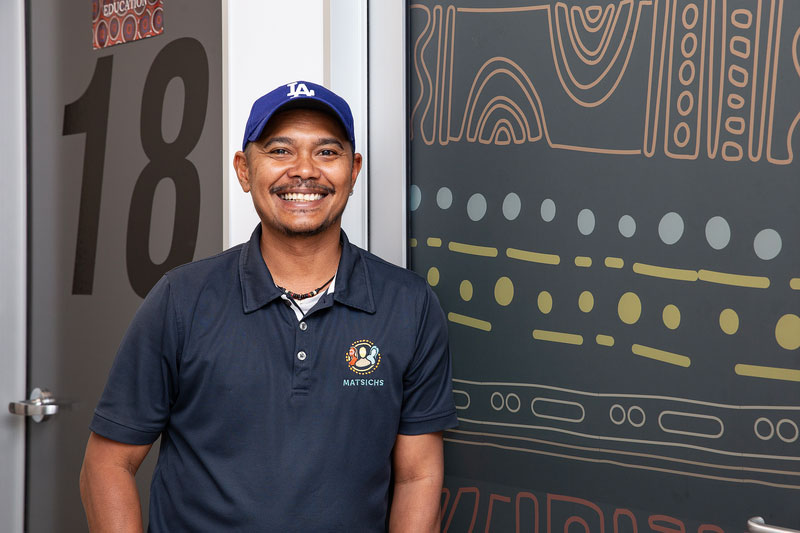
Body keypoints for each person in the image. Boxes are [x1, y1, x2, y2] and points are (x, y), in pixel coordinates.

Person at [79, 80, 458, 532]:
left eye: (327, 152)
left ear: (353, 170)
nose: (304, 171)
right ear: (244, 170)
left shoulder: (409, 305)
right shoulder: (181, 300)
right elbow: (107, 464)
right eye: (280, 151)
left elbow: (418, 476)